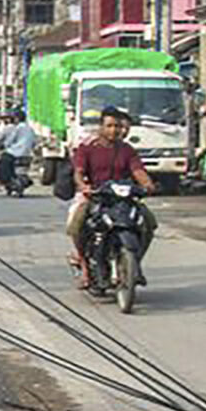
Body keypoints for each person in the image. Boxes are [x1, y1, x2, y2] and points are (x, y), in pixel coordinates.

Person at [66, 107, 155, 286]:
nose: (113, 130)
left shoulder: (127, 150)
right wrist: (84, 186)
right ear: (101, 127)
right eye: (109, 126)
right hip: (95, 196)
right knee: (76, 224)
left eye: (117, 126)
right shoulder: (87, 148)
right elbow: (79, 172)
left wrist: (147, 184)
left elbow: (138, 170)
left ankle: (134, 264)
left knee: (148, 223)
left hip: (123, 198)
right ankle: (84, 266)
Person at [0, 110, 39, 195]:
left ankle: (3, 180)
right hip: (27, 154)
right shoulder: (30, 129)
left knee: (2, 162)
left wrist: (4, 145)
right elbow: (35, 141)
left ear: (17, 119)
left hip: (15, 152)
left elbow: (10, 140)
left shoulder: (18, 128)